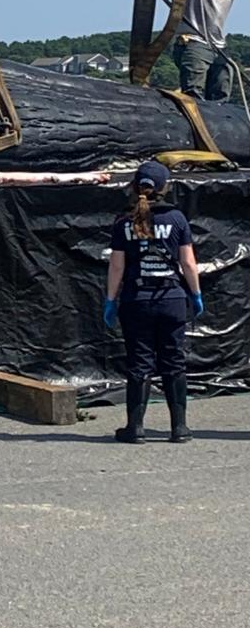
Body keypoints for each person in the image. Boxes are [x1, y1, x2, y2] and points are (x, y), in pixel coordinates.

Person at [104, 161, 203, 444]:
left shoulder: (124, 223)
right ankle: (179, 427)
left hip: (137, 301)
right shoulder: (177, 219)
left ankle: (135, 427)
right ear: (164, 188)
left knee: (140, 363)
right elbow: (188, 262)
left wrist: (111, 301)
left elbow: (117, 268)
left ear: (135, 187)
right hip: (171, 298)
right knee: (174, 361)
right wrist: (195, 294)